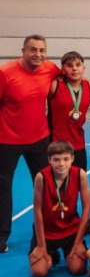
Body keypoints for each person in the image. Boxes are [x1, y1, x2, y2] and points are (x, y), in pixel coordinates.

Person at [0, 35, 61, 251]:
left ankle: (48, 232)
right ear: (23, 50)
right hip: (6, 141)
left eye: (42, 50)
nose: (38, 54)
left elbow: (74, 75)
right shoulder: (6, 73)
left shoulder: (50, 68)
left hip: (39, 140)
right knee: (3, 188)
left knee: (45, 186)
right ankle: (1, 237)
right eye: (33, 50)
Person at [29, 141, 90, 277]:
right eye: (56, 160)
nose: (61, 164)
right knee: (39, 272)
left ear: (72, 159)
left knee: (78, 269)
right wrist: (41, 246)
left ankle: (62, 253)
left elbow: (87, 207)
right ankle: (52, 254)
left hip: (71, 230)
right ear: (49, 160)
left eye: (66, 159)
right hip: (47, 231)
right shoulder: (41, 177)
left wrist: (79, 242)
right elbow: (37, 210)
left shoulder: (80, 174)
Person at [47, 51, 90, 169]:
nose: (74, 69)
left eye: (78, 65)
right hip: (56, 144)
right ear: (62, 69)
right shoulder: (54, 85)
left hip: (78, 144)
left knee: (79, 180)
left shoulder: (89, 86)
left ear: (84, 68)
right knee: (56, 183)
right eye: (69, 65)